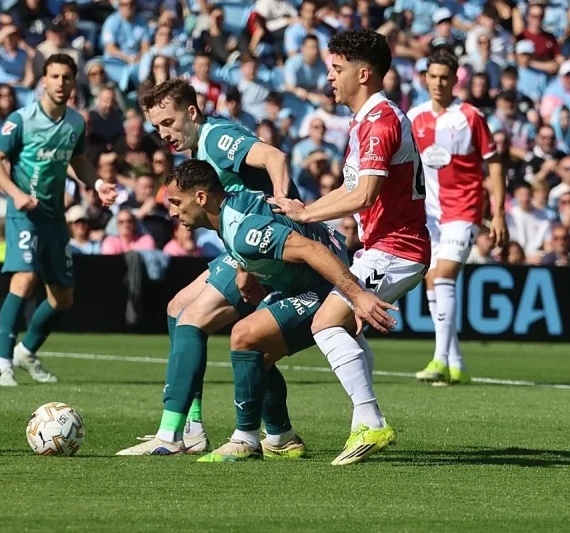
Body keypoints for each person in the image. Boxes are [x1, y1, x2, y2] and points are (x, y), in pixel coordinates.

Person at [159, 159, 396, 462]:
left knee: (244, 336)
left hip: (327, 283)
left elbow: (312, 250)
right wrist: (245, 270)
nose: (173, 210)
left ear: (201, 198)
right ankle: (281, 437)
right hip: (307, 280)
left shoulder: (243, 230)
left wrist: (357, 297)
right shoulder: (233, 205)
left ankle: (245, 438)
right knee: (258, 357)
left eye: (177, 202)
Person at [268, 30, 430, 465]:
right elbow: (350, 187)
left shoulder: (381, 123)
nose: (329, 77)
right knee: (347, 326)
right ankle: (367, 421)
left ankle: (371, 422)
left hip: (399, 247)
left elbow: (363, 196)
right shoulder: (367, 121)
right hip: (383, 246)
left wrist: (304, 216)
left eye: (337, 69)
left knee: (326, 323)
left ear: (364, 73)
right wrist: (306, 209)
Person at [117, 79, 295, 456]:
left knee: (193, 319)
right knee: (177, 308)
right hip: (243, 249)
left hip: (263, 247)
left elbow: (276, 157)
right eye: (157, 128)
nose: (163, 133)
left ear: (192, 112)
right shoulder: (200, 146)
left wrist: (281, 206)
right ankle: (260, 431)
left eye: (168, 122)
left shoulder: (216, 137)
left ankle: (169, 437)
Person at [0, 53, 117, 387]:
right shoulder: (22, 119)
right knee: (24, 280)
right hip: (24, 214)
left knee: (62, 299)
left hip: (56, 217)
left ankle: (26, 352)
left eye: (66, 77)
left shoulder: (75, 122)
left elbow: (78, 160)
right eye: (54, 77)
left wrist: (97, 183)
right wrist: (14, 193)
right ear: (43, 80)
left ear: (73, 82)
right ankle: (3, 364)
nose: (60, 83)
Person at [407, 49, 509, 385]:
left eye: (444, 77)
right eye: (433, 76)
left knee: (444, 274)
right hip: (429, 215)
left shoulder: (470, 116)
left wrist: (497, 213)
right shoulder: (414, 116)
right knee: (431, 278)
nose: (438, 82)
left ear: (455, 80)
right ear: (426, 78)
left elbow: (494, 163)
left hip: (464, 209)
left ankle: (438, 359)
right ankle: (456, 363)